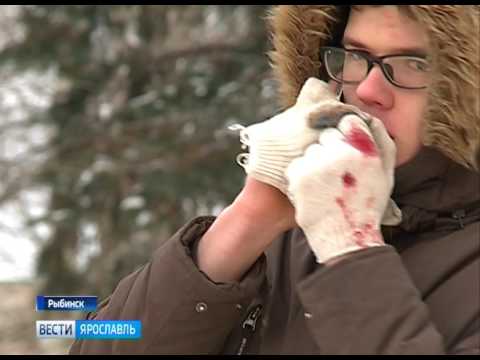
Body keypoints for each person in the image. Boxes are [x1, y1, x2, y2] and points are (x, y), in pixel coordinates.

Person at [69, 5, 479, 355]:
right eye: (356, 56)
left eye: (414, 64)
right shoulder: (290, 218)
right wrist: (250, 216)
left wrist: (350, 249)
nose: (369, 90)